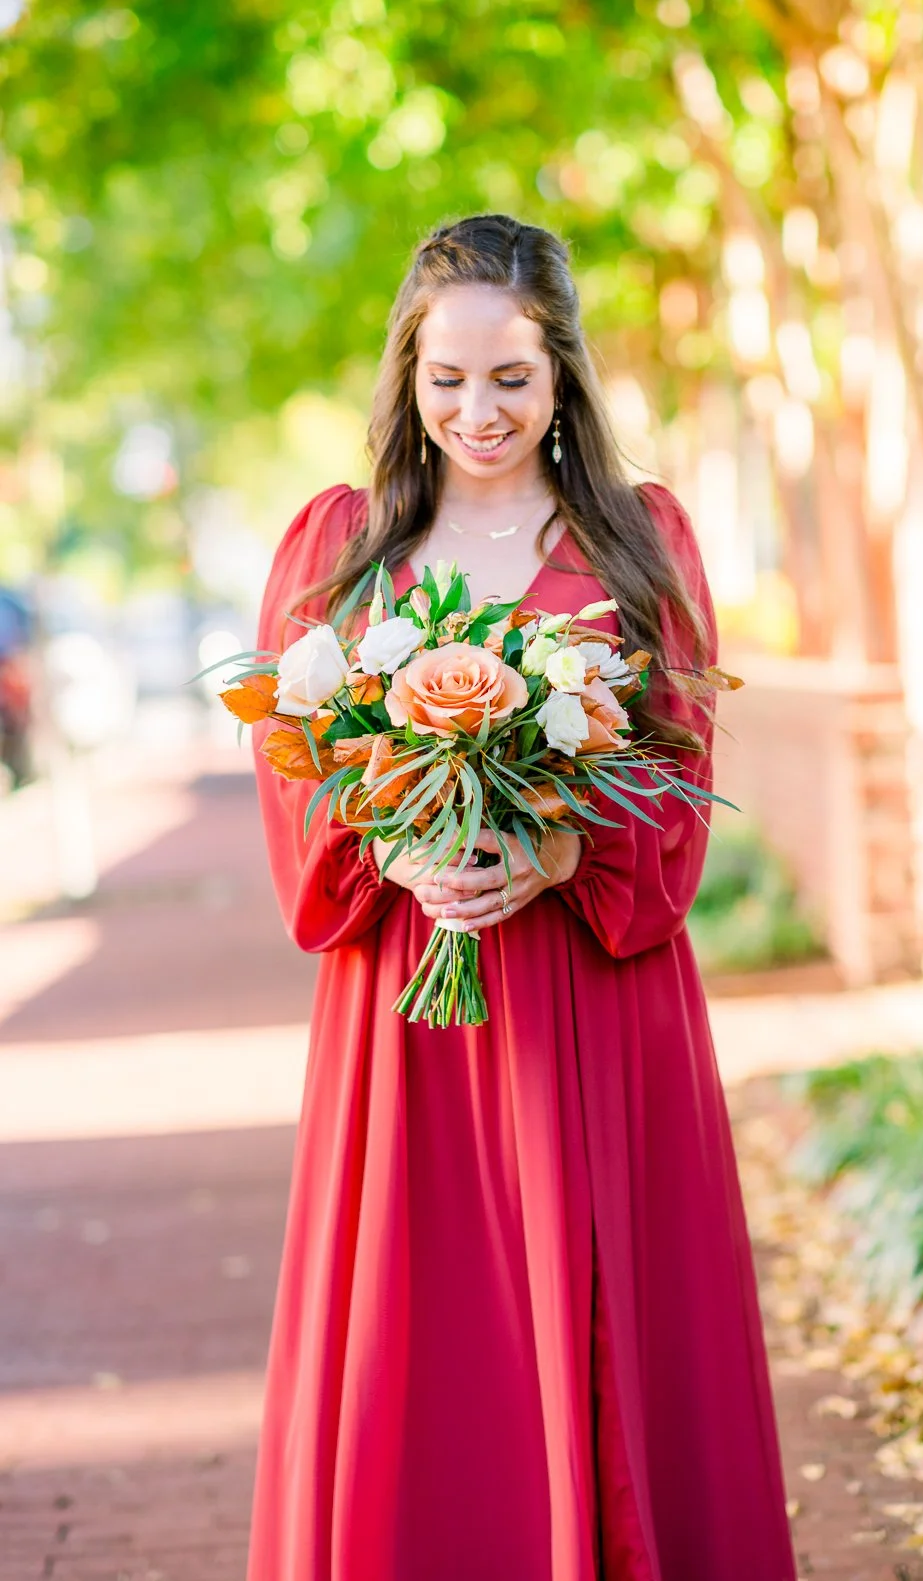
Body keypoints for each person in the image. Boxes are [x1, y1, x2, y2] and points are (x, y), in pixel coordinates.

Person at [248, 214, 796, 1581]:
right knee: (415, 1343)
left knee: (605, 1315)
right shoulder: (340, 547)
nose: (477, 411)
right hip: (406, 1012)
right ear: (406, 375)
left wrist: (555, 856)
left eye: (511, 377)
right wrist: (398, 845)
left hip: (591, 1005)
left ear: (563, 377)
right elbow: (294, 775)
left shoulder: (634, 540)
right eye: (447, 379)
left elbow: (678, 773)